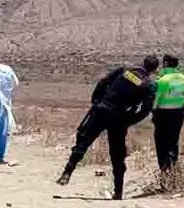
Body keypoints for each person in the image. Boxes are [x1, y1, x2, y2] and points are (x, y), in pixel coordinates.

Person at [56, 56, 160, 200]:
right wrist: (129, 120)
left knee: (84, 142)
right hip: (120, 118)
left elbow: (103, 81)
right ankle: (118, 191)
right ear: (154, 70)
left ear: (143, 63)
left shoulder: (124, 70)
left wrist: (96, 100)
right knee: (117, 154)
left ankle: (67, 173)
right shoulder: (148, 85)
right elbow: (145, 110)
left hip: (102, 109)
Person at [152, 55, 184, 172]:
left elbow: (157, 98)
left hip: (163, 113)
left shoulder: (163, 80)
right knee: (173, 140)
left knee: (161, 141)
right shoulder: (183, 78)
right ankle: (173, 166)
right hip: (179, 112)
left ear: (166, 63)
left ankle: (164, 169)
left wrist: (153, 111)